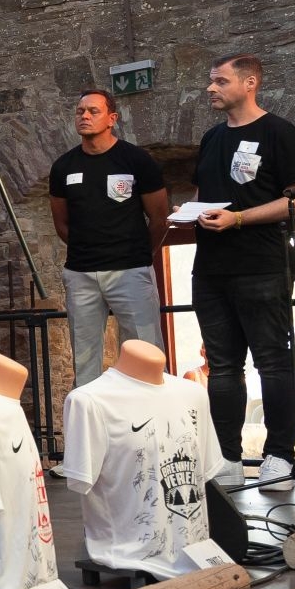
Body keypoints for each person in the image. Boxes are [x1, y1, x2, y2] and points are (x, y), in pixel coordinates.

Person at [192, 53, 295, 485]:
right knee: (223, 366)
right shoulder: (211, 138)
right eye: (210, 81)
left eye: (220, 81)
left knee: (272, 362)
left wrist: (240, 218)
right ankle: (227, 458)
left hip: (262, 265)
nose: (210, 88)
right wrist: (192, 213)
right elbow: (206, 194)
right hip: (211, 268)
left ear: (249, 84)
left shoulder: (278, 132)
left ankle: (279, 456)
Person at [48, 90, 169, 386]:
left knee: (145, 356)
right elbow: (61, 224)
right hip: (81, 274)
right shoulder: (63, 166)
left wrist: (141, 255)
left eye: (93, 111)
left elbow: (159, 218)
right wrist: (89, 250)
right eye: (80, 111)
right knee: (84, 363)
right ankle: (91, 416)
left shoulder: (136, 160)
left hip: (131, 270)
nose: (84, 116)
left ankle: (150, 414)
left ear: (112, 118)